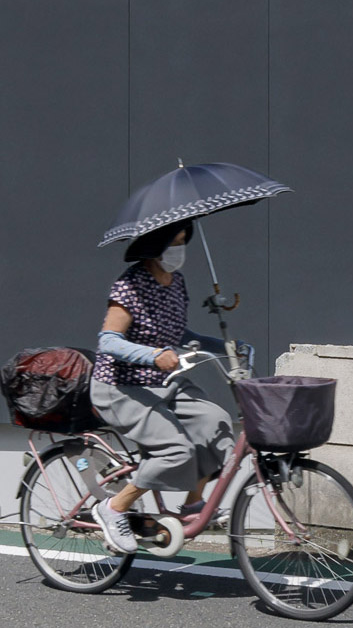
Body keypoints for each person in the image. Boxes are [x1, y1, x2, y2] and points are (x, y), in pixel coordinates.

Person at [88, 222, 233, 554]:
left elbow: (176, 334)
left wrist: (226, 346)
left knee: (216, 424)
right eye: (173, 242)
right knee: (176, 450)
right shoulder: (130, 285)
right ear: (154, 245)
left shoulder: (176, 282)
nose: (179, 250)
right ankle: (113, 508)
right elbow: (108, 340)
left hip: (161, 382)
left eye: (184, 242)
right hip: (121, 386)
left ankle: (193, 504)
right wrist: (152, 355)